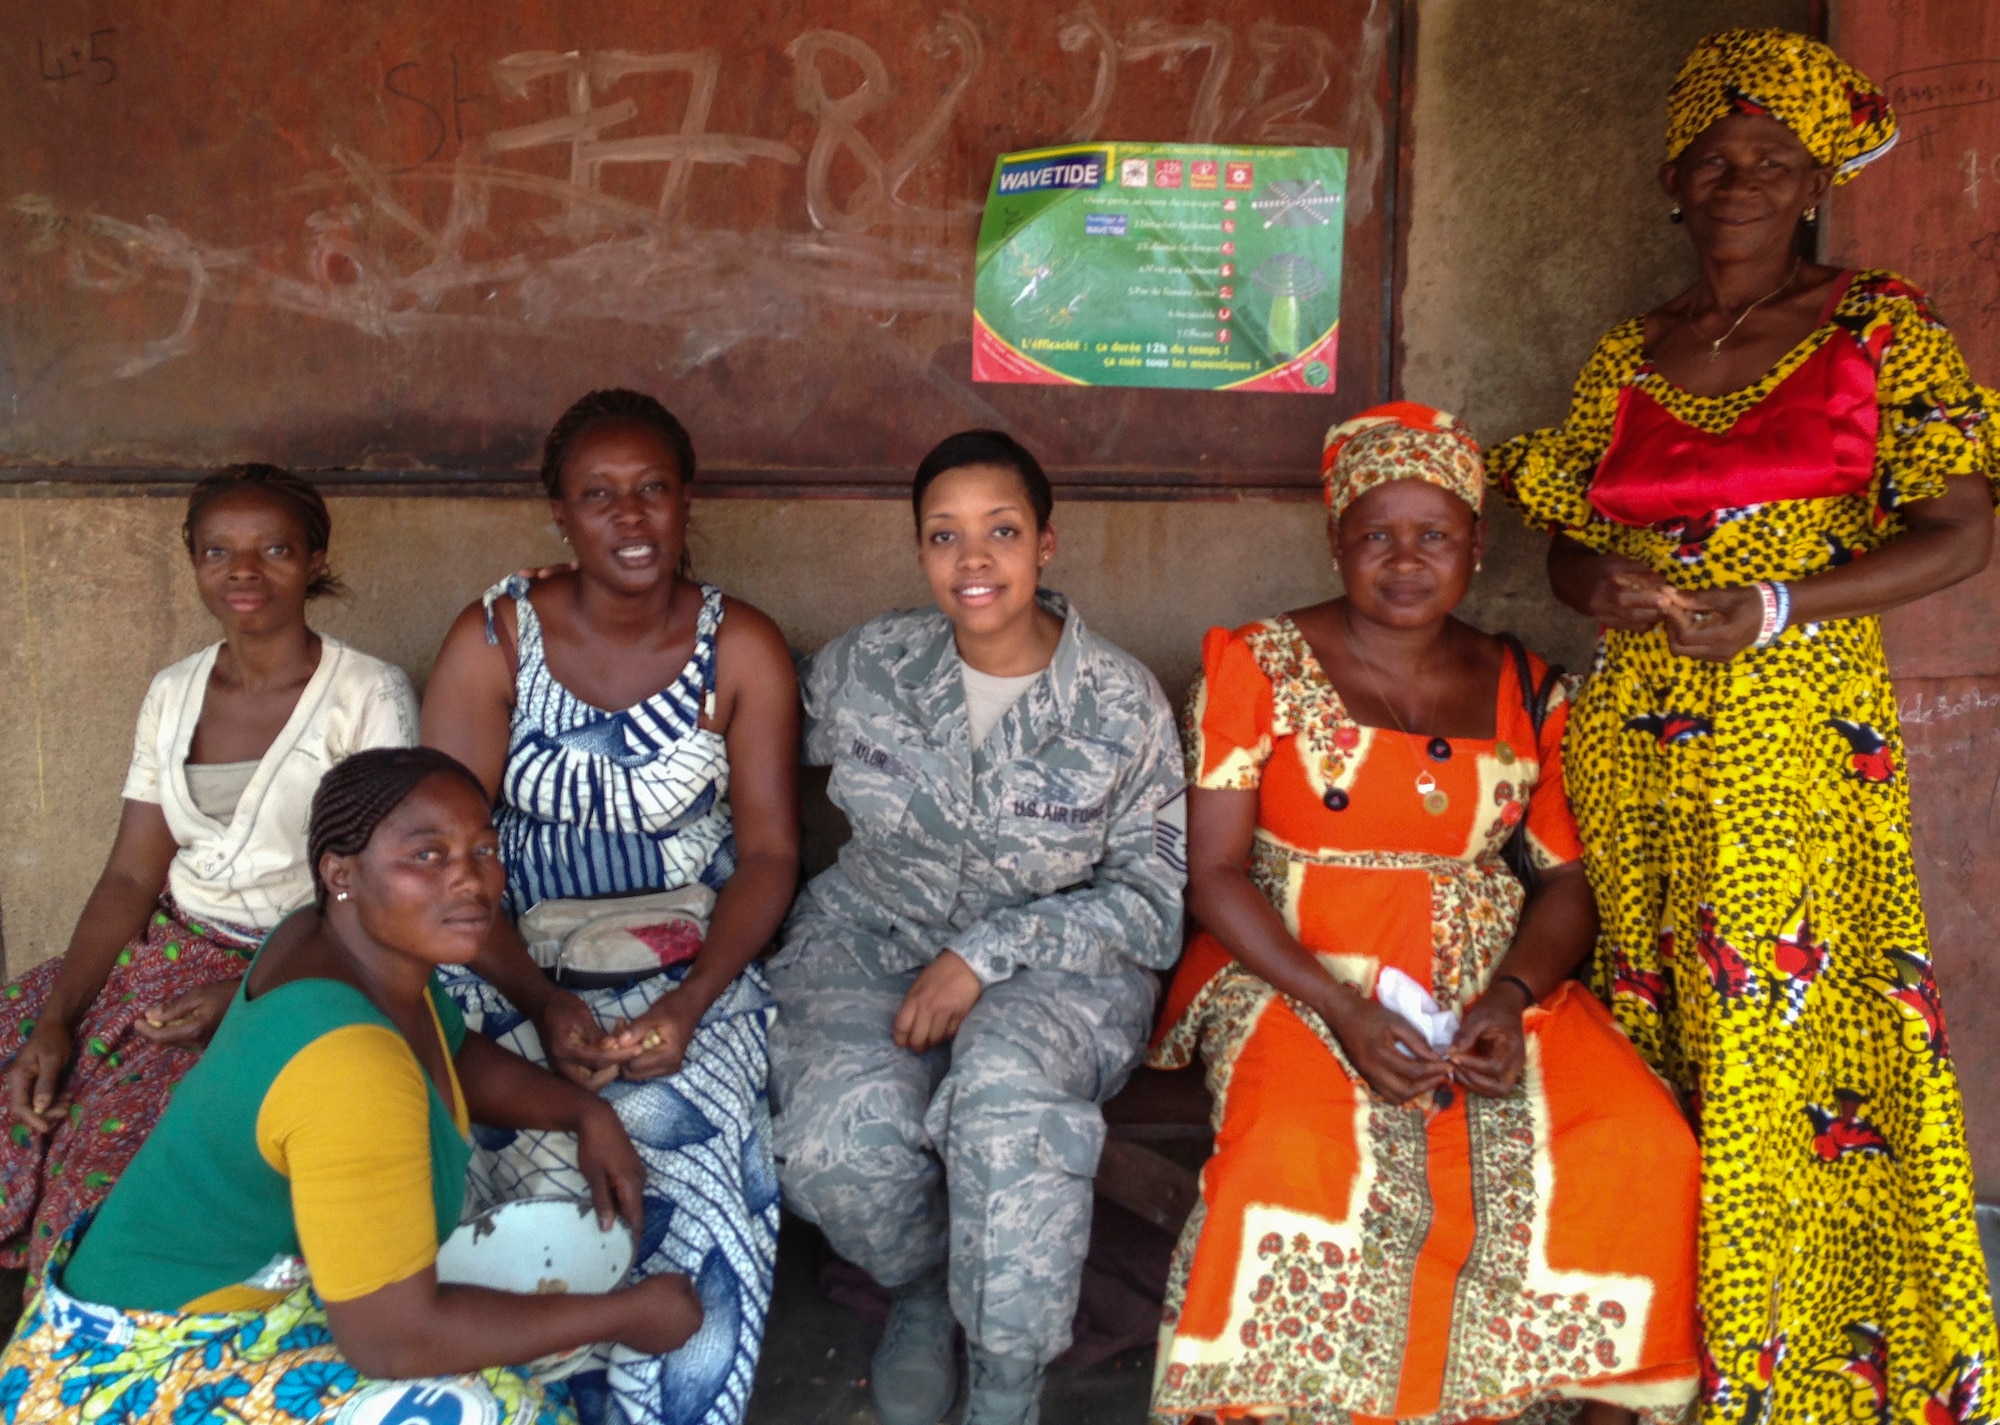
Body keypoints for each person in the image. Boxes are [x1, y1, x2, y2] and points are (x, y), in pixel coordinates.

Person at [1488, 29, 2000, 1425]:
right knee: (1653, 1028)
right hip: (1638, 737)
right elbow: (1569, 551)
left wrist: (1780, 602)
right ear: (1672, 178)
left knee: (1779, 1025)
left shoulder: (1876, 325)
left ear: (1815, 182)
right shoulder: (1630, 352)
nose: (1739, 181)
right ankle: (1657, 1357)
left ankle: (1792, 1369)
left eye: (1773, 160)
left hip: (1793, 737)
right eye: (1715, 158)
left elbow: (1960, 529)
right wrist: (1611, 589)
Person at [1149, 403, 1702, 1425]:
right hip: (1294, 971)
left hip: (1488, 981)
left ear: (1476, 546)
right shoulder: (1254, 666)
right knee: (1291, 1153)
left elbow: (1565, 882)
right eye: (1375, 536)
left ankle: (1595, 1405)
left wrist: (1508, 995)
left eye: (1434, 535)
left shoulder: (1530, 686)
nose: (1404, 562)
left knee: (1639, 1139)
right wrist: (1340, 1007)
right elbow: (1214, 874)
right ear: (1336, 542)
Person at [0, 746, 702, 1425]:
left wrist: (584, 1114)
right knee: (500, 1409)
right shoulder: (350, 1065)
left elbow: (446, 1052)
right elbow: (392, 1341)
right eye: (427, 855)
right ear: (341, 871)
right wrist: (628, 1314)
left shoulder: (329, 944)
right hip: (137, 1364)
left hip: (208, 1293)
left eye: (483, 850)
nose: (471, 881)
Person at [767, 430, 1187, 1425]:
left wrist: (985, 954)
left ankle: (1006, 1381)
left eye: (999, 531)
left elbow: (1150, 905)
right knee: (832, 1143)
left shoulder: (1117, 705)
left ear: (1045, 543)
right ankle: (920, 1284)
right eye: (943, 536)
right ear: (919, 551)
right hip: (873, 933)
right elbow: (752, 689)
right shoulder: (867, 665)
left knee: (1007, 1109)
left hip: (1062, 966)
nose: (972, 560)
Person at [421, 389, 799, 1425]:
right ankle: (489, 1400)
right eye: (598, 497)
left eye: (651, 493)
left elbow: (768, 854)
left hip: (689, 960)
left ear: (686, 502)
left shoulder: (742, 648)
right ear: (559, 513)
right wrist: (536, 998)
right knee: (457, 1128)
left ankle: (656, 1408)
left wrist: (694, 1000)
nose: (629, 520)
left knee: (680, 1145)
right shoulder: (495, 639)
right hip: (502, 949)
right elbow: (439, 863)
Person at [0, 464, 417, 1273]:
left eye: (274, 549)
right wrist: (58, 1015)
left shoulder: (366, 694)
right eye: (217, 551)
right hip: (161, 957)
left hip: (303, 967)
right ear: (193, 561)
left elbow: (382, 891)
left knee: (102, 1177)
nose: (244, 571)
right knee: (27, 1081)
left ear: (315, 557)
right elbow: (129, 877)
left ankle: (77, 1352)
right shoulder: (173, 691)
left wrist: (248, 996)